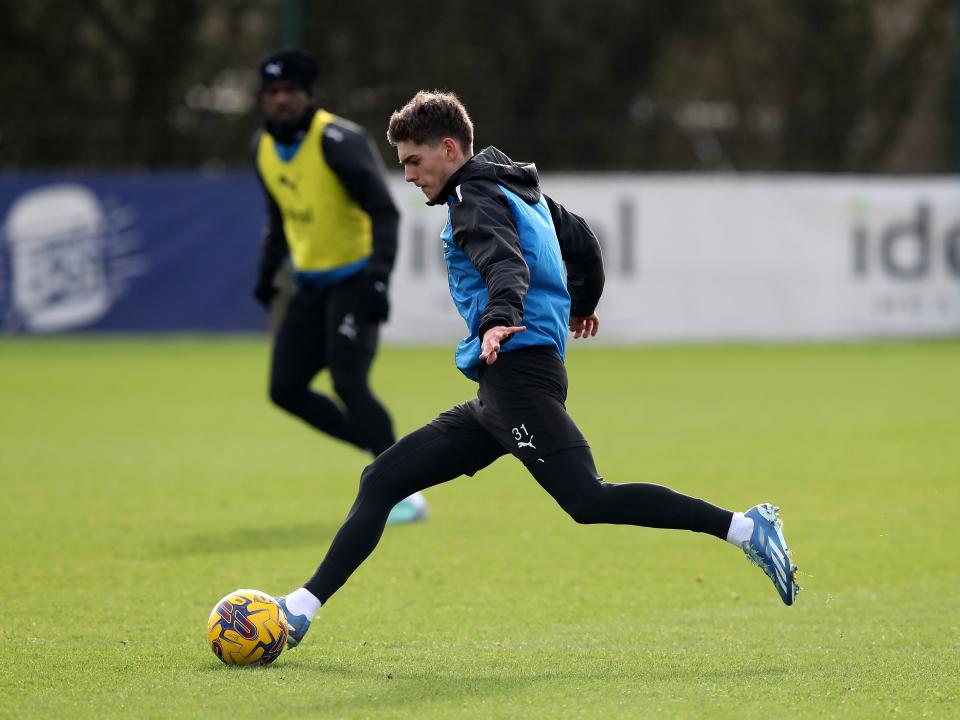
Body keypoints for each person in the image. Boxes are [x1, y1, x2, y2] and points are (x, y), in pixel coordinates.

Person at [273, 90, 799, 646]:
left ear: (448, 148)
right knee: (382, 478)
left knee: (588, 499)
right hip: (504, 385)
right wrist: (584, 302)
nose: (407, 175)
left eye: (412, 160)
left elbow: (503, 260)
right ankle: (300, 609)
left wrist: (501, 317)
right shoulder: (520, 188)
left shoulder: (472, 197)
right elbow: (585, 245)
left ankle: (745, 528)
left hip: (516, 375)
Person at [251, 49, 426, 523]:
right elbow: (280, 216)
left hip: (353, 279)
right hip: (309, 286)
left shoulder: (337, 141)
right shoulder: (263, 148)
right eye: (274, 93)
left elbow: (384, 212)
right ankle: (383, 454)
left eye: (291, 91)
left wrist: (376, 280)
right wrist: (268, 273)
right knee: (284, 388)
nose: (283, 100)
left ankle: (404, 490)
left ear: (308, 95)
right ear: (263, 99)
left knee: (349, 382)